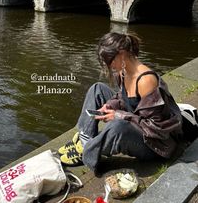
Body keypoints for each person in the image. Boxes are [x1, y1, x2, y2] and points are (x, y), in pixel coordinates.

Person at [58, 32, 183, 171]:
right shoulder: (123, 72)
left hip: (154, 145)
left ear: (121, 54)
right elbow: (123, 97)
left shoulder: (146, 81)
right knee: (97, 89)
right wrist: (110, 105)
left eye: (109, 60)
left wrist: (117, 115)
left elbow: (156, 129)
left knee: (117, 127)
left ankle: (87, 150)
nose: (108, 65)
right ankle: (85, 139)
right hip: (136, 123)